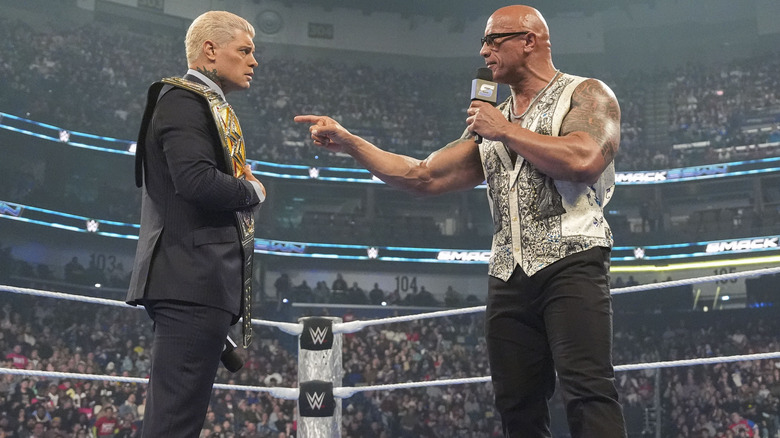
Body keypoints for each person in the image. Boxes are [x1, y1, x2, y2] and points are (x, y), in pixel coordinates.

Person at [295, 5, 625, 437]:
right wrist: (352, 143)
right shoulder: (492, 119)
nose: (485, 51)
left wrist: (505, 130)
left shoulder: (585, 94)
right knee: (516, 402)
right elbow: (424, 175)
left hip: (573, 259)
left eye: (494, 39)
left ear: (529, 40)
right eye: (483, 42)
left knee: (587, 390)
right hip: (509, 272)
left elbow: (584, 160)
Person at [126, 10, 265, 437]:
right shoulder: (185, 99)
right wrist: (253, 191)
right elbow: (197, 182)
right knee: (174, 421)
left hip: (196, 283)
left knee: (178, 417)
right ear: (210, 49)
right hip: (191, 281)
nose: (253, 61)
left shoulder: (200, 102)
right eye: (244, 51)